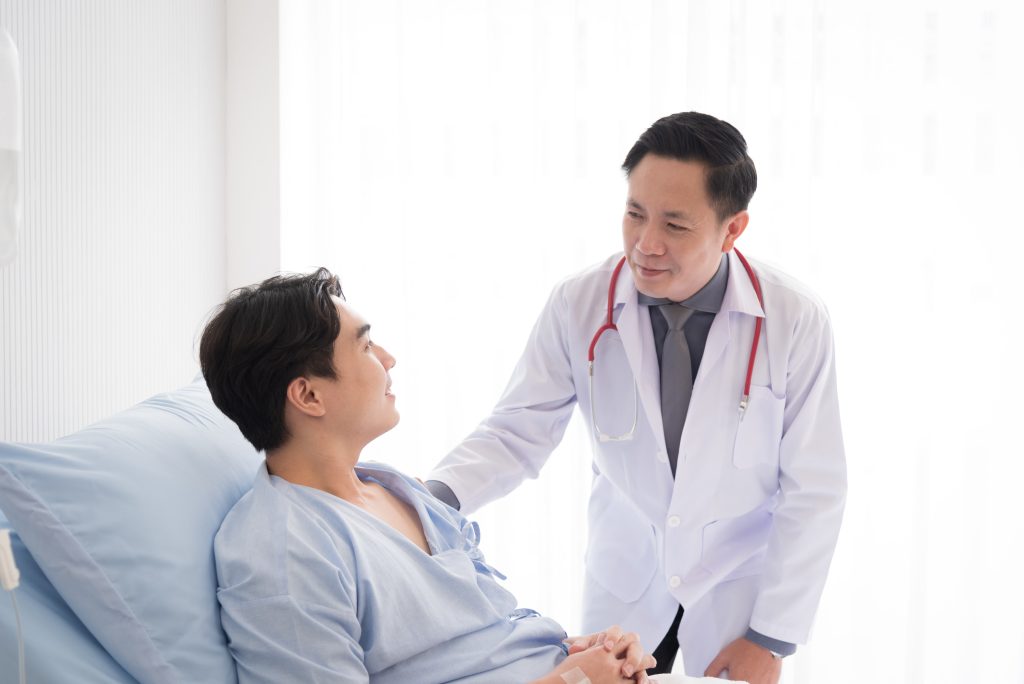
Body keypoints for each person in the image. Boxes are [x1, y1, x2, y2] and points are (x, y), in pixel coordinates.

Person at [424, 112, 847, 683]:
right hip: (624, 593)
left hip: (736, 600)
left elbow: (814, 487)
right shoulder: (580, 303)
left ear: (732, 229)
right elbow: (516, 430)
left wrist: (769, 639)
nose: (646, 245)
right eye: (634, 214)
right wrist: (424, 503)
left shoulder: (793, 317)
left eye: (675, 225)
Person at [198, 269, 664, 684]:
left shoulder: (391, 487)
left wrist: (588, 653)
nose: (388, 358)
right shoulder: (283, 553)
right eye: (364, 345)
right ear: (308, 395)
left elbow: (487, 636)